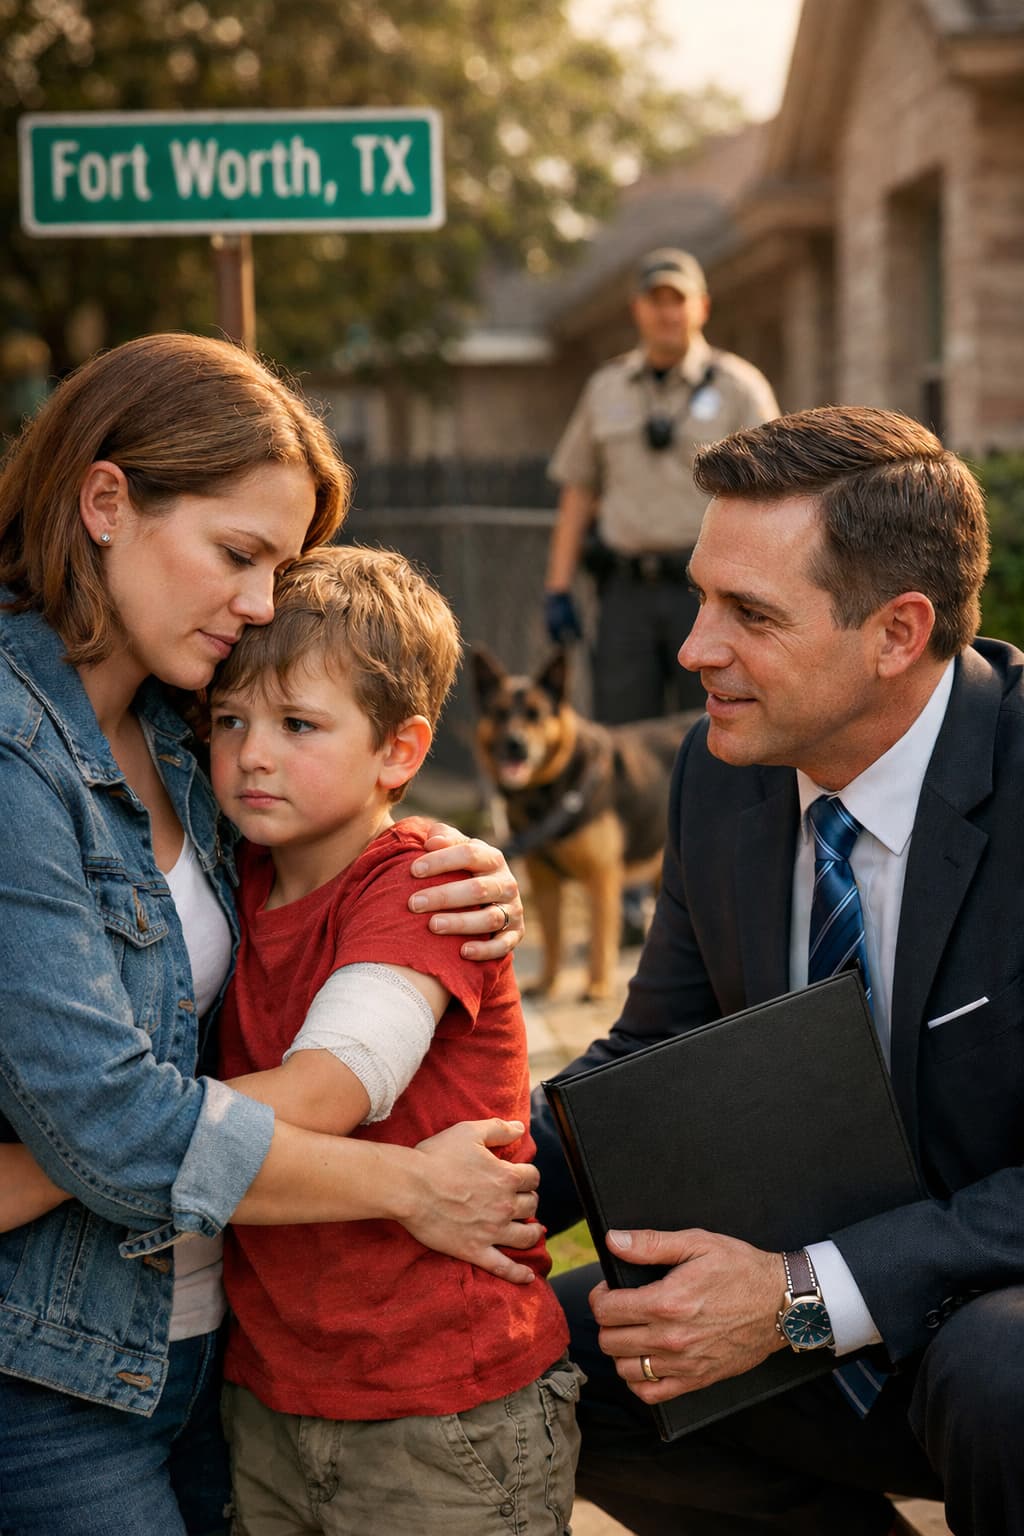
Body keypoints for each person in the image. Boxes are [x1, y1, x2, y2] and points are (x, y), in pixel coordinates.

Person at [0, 333, 538, 1536]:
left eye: (277, 564)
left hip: (222, 1358)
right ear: (105, 502)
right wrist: (407, 1185)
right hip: (47, 1375)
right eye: (236, 554)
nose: (258, 603)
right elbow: (114, 1124)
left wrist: (457, 870)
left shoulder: (185, 732)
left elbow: (333, 839)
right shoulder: (11, 749)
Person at [531, 406, 1024, 1536]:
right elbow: (655, 1057)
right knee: (546, 1355)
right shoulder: (724, 770)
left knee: (1001, 1380)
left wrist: (803, 1298)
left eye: (747, 614)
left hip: (997, 1307)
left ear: (898, 631)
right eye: (702, 597)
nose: (693, 648)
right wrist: (453, 1193)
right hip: (830, 1307)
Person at [202, 543, 582, 1533]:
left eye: (297, 724)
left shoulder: (418, 886)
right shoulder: (235, 876)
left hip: (442, 1405)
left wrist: (116, 1125)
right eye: (229, 720)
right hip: (273, 1388)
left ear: (400, 754)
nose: (252, 754)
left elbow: (333, 1087)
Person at [543, 246, 779, 725]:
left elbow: (774, 496)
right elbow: (579, 490)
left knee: (718, 728)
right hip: (625, 592)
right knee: (624, 738)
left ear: (701, 307)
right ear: (638, 309)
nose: (667, 312)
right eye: (656, 300)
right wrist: (558, 587)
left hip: (712, 594)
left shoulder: (740, 387)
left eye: (678, 299)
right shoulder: (606, 388)